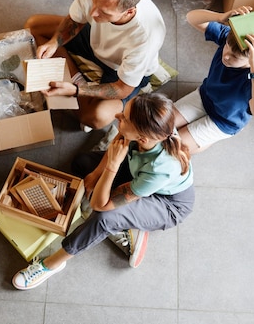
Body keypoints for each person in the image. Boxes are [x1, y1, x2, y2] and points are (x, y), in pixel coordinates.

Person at [12, 92, 194, 290]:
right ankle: (128, 220)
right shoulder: (147, 128)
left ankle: (52, 264)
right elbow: (119, 140)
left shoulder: (161, 169)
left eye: (123, 118)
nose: (117, 117)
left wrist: (111, 168)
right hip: (139, 174)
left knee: (103, 217)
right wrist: (95, 174)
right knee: (82, 163)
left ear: (141, 138)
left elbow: (99, 205)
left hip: (167, 204)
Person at [24, 0, 166, 131]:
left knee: (94, 117)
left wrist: (77, 90)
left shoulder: (145, 37)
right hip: (94, 40)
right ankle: (76, 77)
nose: (92, 14)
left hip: (119, 70)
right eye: (93, 2)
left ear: (128, 12)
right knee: (33, 26)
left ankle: (75, 82)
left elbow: (122, 88)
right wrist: (54, 42)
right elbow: (75, 21)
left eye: (104, 12)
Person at [174, 6, 254, 154]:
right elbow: (191, 17)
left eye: (235, 57)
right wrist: (220, 16)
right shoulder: (232, 39)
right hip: (205, 96)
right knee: (160, 124)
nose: (226, 56)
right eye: (227, 47)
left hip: (224, 121)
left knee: (174, 147)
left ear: (252, 60)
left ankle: (206, 140)